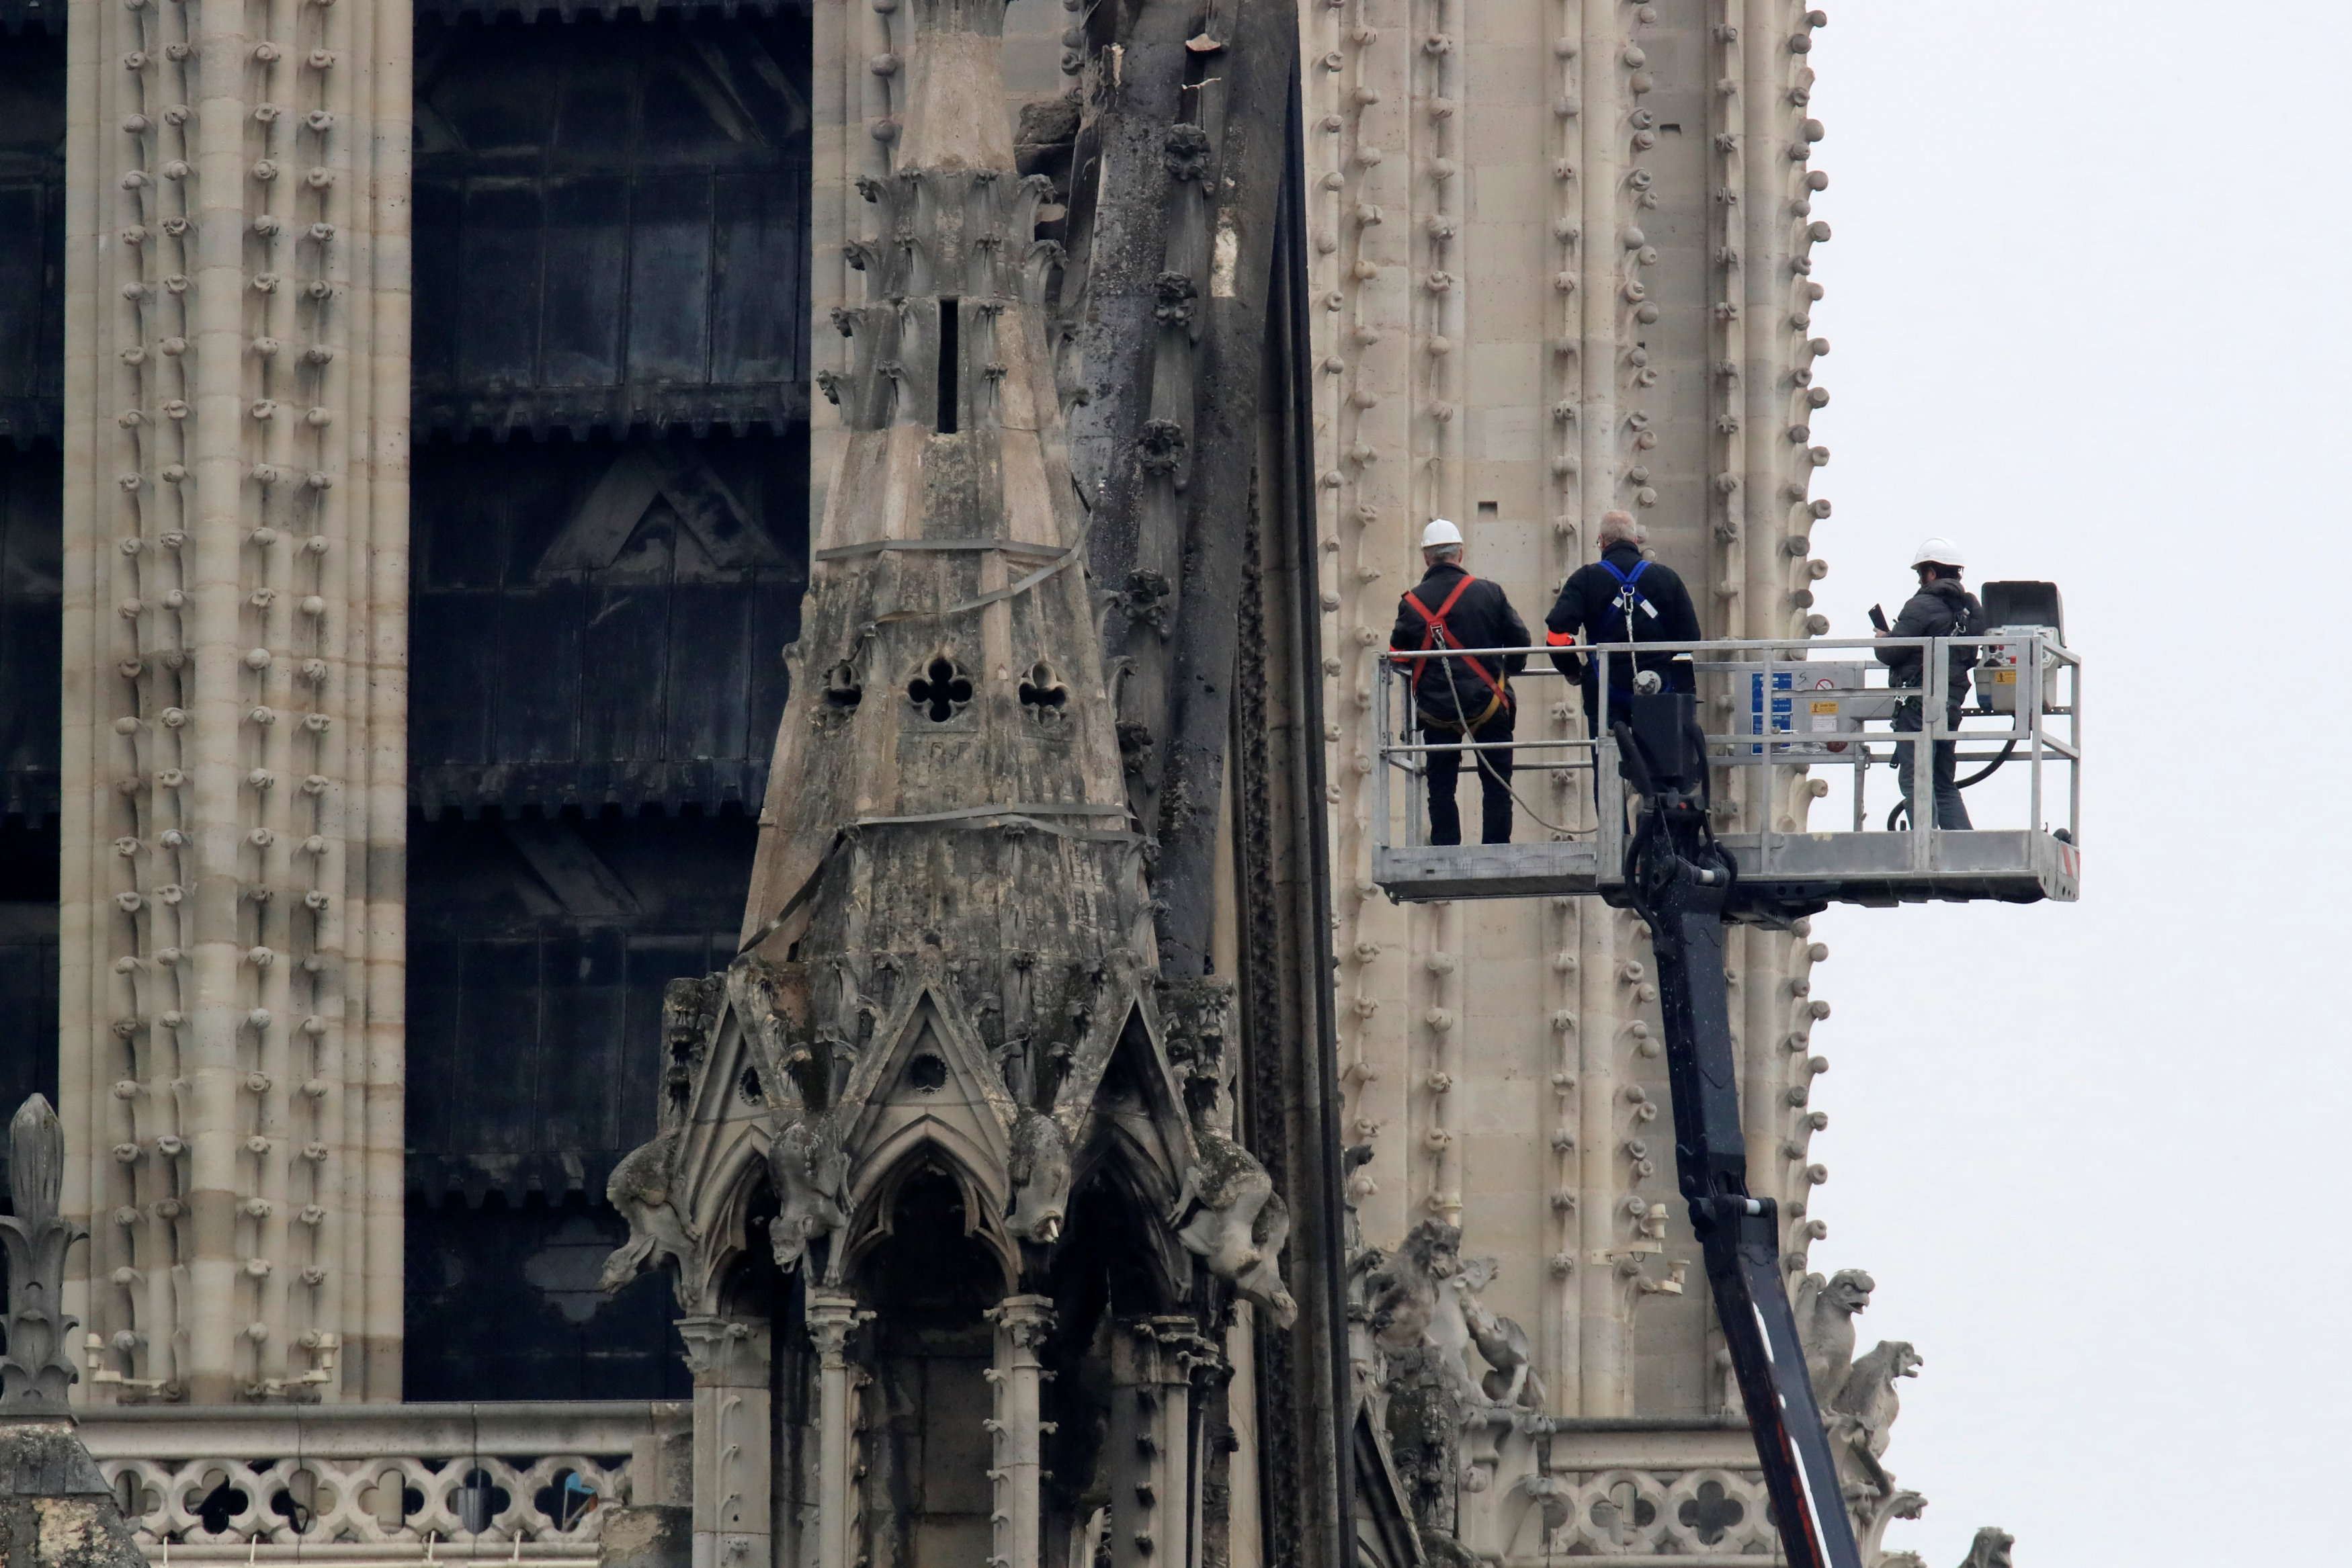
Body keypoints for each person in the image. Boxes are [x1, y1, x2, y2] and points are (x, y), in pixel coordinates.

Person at [1388, 519, 1529, 845]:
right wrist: (1509, 671)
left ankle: (1446, 846)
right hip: (1488, 702)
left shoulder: (1411, 603)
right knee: (1497, 782)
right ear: (1460, 554)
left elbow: (1397, 657)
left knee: (1441, 786)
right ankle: (1496, 845)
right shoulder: (1489, 592)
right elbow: (1520, 639)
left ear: (1427, 558)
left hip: (1437, 709)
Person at [1542, 511, 1702, 740]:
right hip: (1659, 688)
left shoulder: (1585, 579)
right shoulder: (1667, 578)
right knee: (1659, 762)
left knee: (1607, 765)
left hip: (1604, 688)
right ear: (1635, 540)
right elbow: (1690, 638)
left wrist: (1573, 670)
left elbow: (1557, 633)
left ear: (1602, 542)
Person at [1876, 536, 1983, 830]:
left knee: (1916, 780)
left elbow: (1890, 653)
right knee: (1942, 783)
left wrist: (1884, 639)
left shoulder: (1922, 604)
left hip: (1917, 706)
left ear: (1931, 573)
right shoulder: (1970, 610)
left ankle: (1926, 849)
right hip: (1950, 706)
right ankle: (1963, 851)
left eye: (1921, 573)